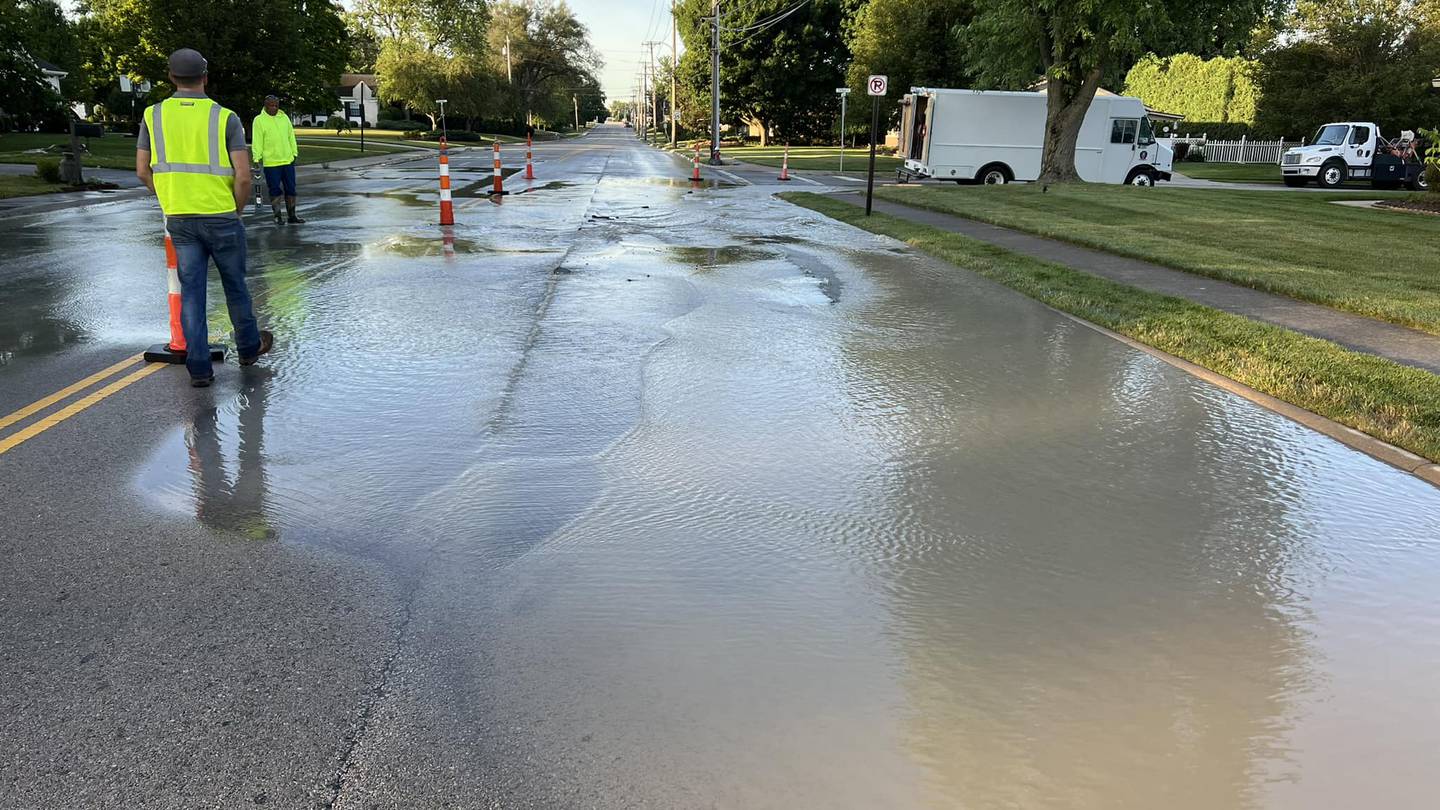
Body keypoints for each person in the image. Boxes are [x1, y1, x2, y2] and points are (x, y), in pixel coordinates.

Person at [136, 48, 273, 387]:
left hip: (180, 219)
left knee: (192, 293)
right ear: (206, 77)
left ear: (171, 77)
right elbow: (243, 176)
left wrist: (169, 198)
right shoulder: (225, 118)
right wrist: (237, 208)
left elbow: (142, 170)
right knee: (235, 286)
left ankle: (199, 369)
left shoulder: (152, 116)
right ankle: (248, 348)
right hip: (222, 215)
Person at [251, 94, 304, 225]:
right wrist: (256, 158)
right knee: (274, 189)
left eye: (276, 105)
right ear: (265, 105)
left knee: (291, 189)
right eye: (271, 105)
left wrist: (294, 153)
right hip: (271, 163)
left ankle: (292, 215)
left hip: (287, 160)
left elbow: (290, 135)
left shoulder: (284, 117)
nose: (274, 108)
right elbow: (257, 140)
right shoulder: (259, 120)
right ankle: (277, 216)